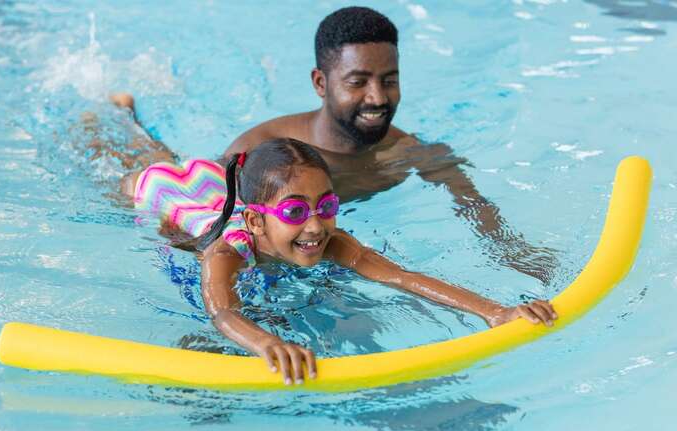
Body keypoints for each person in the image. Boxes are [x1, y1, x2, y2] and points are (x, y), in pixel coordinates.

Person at [115, 6, 557, 284]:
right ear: (320, 83)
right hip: (192, 190)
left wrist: (514, 254)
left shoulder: (415, 154)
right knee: (150, 164)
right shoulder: (264, 148)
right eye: (358, 82)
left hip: (309, 237)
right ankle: (120, 119)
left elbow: (475, 207)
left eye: (389, 80)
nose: (378, 98)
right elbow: (215, 212)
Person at [123, 137, 557, 386]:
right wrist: (268, 343)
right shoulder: (225, 253)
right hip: (168, 198)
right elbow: (222, 312)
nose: (315, 226)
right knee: (135, 160)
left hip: (218, 186)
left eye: (326, 205)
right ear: (254, 220)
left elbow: (403, 278)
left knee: (164, 151)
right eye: (295, 212)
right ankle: (111, 123)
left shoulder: (329, 239)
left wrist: (496, 311)